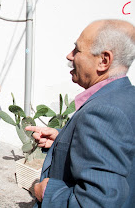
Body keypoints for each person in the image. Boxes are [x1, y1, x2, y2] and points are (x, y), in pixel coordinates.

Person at [26, 19, 135, 208]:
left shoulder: (103, 112)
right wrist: (61, 141)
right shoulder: (126, 97)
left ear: (103, 60)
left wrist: (44, 192)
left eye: (77, 50)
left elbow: (97, 202)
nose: (69, 56)